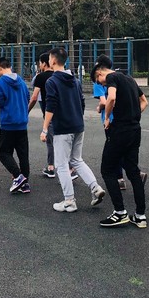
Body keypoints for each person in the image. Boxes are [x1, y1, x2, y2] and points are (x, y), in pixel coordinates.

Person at [41, 47, 105, 213]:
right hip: (78, 125)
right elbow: (81, 103)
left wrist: (45, 128)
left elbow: (50, 106)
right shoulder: (75, 81)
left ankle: (69, 201)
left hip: (62, 128)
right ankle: (95, 187)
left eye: (49, 58)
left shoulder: (52, 82)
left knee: (61, 165)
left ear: (53, 60)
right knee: (77, 160)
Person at [91, 58, 148, 228]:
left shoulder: (111, 78)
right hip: (135, 129)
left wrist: (108, 118)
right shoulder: (129, 78)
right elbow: (144, 101)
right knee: (133, 172)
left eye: (99, 81)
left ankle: (120, 212)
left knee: (107, 170)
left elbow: (111, 98)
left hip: (120, 130)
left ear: (99, 73)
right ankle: (140, 215)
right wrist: (133, 115)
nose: (101, 85)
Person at [0, 57, 31, 193]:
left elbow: (0, 102)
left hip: (8, 123)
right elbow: (27, 97)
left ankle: (18, 176)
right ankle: (25, 183)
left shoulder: (0, 83)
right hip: (22, 122)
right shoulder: (21, 81)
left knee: (4, 153)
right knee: (23, 154)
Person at [28, 52, 56, 178]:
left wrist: (27, 111)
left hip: (49, 111)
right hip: (63, 113)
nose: (39, 65)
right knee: (64, 140)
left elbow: (34, 97)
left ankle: (51, 167)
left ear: (44, 63)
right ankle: (70, 168)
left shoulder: (41, 77)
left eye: (40, 63)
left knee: (50, 140)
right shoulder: (59, 75)